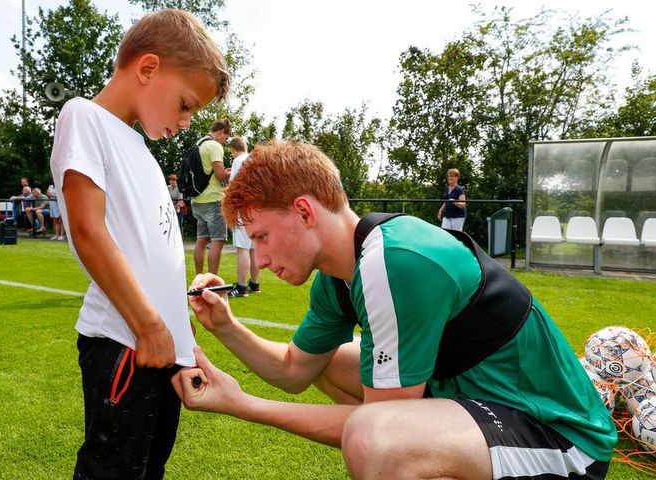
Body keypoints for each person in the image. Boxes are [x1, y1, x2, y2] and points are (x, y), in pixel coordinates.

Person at [173, 141, 616, 480]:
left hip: (560, 436)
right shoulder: (338, 277)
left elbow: (379, 425)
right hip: (483, 404)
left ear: (304, 211)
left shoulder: (394, 259)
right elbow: (295, 370)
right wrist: (225, 325)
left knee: (377, 437)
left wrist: (241, 403)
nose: (261, 259)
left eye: (263, 237)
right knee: (334, 364)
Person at [49, 9, 229, 479]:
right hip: (124, 340)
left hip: (159, 350)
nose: (187, 121)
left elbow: (154, 255)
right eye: (186, 104)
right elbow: (89, 232)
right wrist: (148, 326)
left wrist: (183, 348)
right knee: (113, 472)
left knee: (150, 469)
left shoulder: (144, 154)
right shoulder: (83, 116)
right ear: (148, 69)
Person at [191, 119, 232, 275]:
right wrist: (231, 172)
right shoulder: (214, 146)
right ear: (221, 132)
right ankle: (212, 281)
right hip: (213, 199)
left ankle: (199, 278)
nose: (225, 141)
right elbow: (220, 175)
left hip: (197, 199)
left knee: (201, 240)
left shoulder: (199, 143)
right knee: (218, 241)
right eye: (226, 138)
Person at [226, 137, 260, 297]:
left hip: (243, 208)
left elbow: (233, 187)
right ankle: (254, 283)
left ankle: (241, 287)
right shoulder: (255, 159)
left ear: (233, 150)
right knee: (253, 248)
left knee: (242, 248)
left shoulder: (238, 160)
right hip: (257, 208)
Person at [167, 173, 186, 237]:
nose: (173, 181)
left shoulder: (179, 188)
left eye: (174, 180)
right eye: (172, 180)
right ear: (170, 181)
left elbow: (180, 199)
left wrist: (178, 208)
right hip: (169, 207)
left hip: (178, 206)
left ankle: (180, 237)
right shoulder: (167, 188)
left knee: (179, 223)